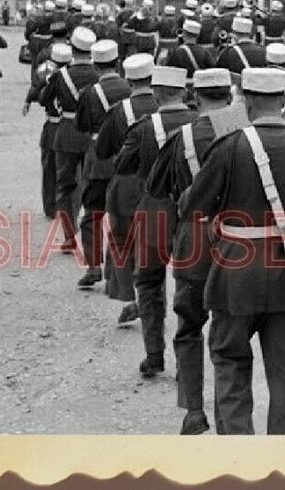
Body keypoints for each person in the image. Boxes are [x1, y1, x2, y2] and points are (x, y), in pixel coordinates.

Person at [180, 66, 285, 435]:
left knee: (230, 364)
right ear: (283, 100)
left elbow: (193, 209)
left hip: (235, 272)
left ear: (246, 101)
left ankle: (240, 456)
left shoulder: (229, 145)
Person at [146, 66, 237, 435]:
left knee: (189, 326)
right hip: (238, 238)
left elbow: (156, 188)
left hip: (195, 240)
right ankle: (230, 415)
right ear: (229, 97)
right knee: (231, 330)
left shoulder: (180, 137)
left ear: (194, 97)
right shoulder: (245, 132)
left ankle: (194, 410)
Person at [114, 65, 195, 380]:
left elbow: (122, 164)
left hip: (154, 212)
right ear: (185, 93)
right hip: (192, 213)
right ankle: (187, 361)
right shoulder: (201, 124)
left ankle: (154, 356)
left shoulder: (144, 127)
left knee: (148, 283)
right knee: (190, 285)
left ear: (157, 93)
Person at [92, 51, 159, 319]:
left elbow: (102, 150)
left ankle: (127, 292)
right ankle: (148, 297)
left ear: (129, 82)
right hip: (160, 183)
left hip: (127, 182)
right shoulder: (163, 107)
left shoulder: (119, 111)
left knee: (122, 236)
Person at [75, 39, 132, 290]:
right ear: (117, 62)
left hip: (99, 160)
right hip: (127, 157)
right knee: (123, 217)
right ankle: (117, 272)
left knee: (92, 215)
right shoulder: (131, 88)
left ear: (96, 66)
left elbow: (82, 126)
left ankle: (93, 265)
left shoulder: (90, 93)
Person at [40, 26, 99, 254]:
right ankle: (91, 235)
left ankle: (68, 235)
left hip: (66, 132)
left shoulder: (60, 75)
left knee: (65, 185)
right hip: (92, 135)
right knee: (92, 185)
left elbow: (45, 99)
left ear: (72, 49)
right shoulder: (98, 75)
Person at [23, 40, 71, 219]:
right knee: (70, 170)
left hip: (52, 125)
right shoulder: (77, 76)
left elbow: (40, 96)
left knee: (49, 169)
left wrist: (29, 99)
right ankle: (68, 206)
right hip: (70, 126)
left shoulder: (46, 74)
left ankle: (50, 208)